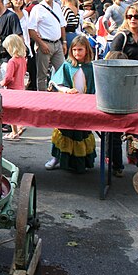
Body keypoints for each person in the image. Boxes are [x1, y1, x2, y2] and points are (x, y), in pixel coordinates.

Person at [109, 4, 138, 175]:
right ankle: (116, 165)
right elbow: (110, 61)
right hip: (119, 87)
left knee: (136, 126)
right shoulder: (121, 37)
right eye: (129, 16)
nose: (132, 20)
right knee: (116, 128)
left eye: (136, 17)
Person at [44, 35, 97, 173]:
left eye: (80, 49)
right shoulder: (67, 65)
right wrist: (66, 90)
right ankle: (56, 158)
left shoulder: (92, 67)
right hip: (68, 106)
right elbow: (57, 82)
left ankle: (81, 163)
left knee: (81, 133)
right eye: (74, 50)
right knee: (64, 131)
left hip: (85, 107)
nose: (77, 53)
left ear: (87, 50)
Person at [29, 0, 67, 91]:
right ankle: (42, 95)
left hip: (57, 43)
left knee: (62, 70)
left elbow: (62, 25)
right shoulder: (37, 8)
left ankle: (60, 91)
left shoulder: (57, 6)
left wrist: (64, 42)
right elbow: (31, 29)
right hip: (45, 43)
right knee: (42, 74)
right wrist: (41, 44)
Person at [0, 34, 28, 140]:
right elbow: (24, 72)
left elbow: (9, 77)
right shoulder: (22, 59)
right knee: (18, 110)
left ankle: (14, 132)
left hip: (12, 89)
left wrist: (3, 83)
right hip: (21, 87)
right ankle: (20, 126)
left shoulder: (12, 61)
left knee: (11, 112)